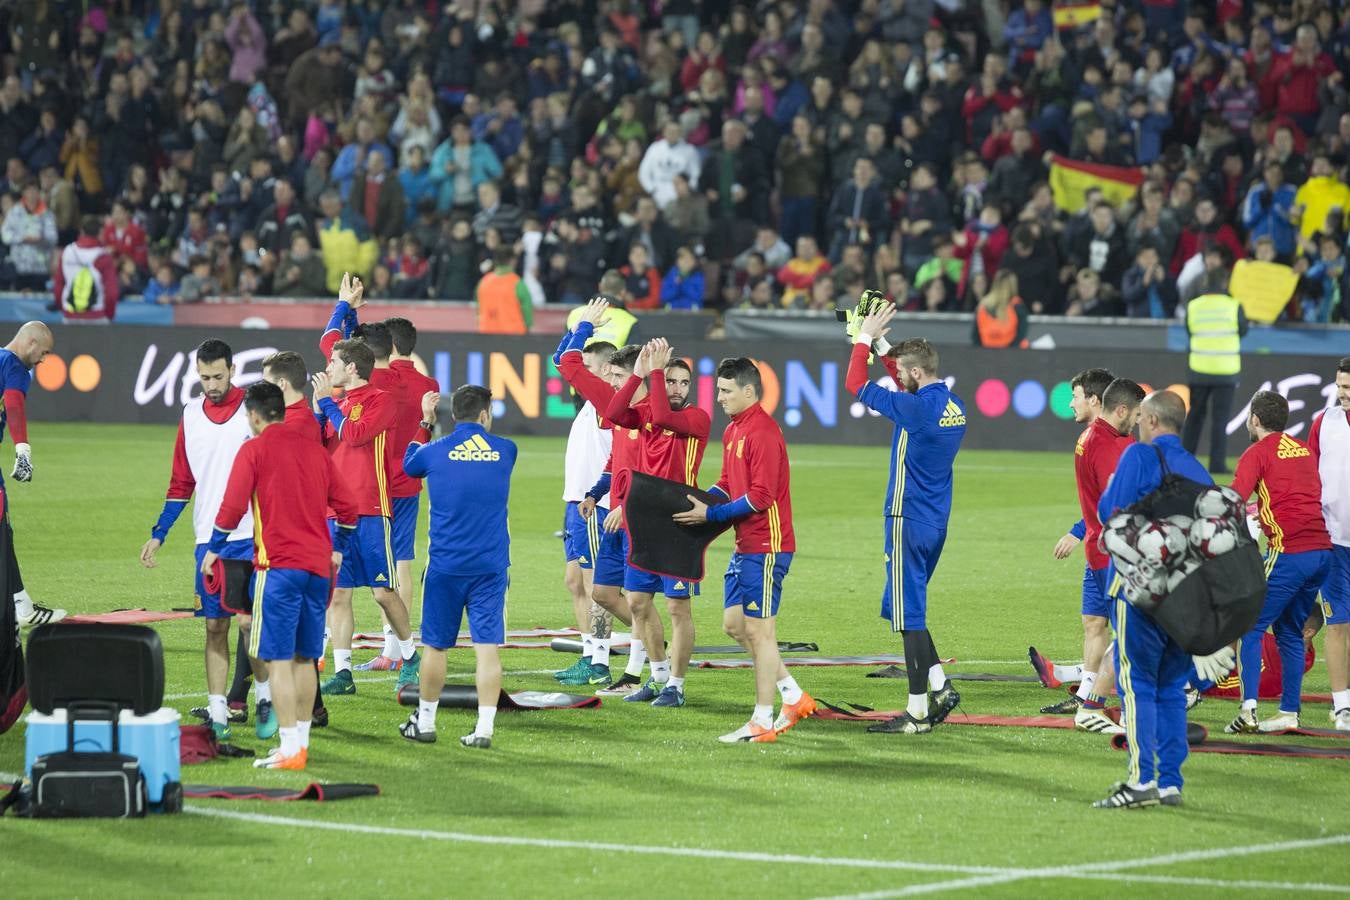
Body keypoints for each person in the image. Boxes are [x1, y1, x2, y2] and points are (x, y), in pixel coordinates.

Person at [205, 382, 358, 770]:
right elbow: (349, 507)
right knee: (305, 658)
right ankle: (299, 745)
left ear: (255, 416)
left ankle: (290, 748)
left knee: (276, 660)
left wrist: (213, 548)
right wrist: (337, 546)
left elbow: (232, 505)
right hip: (319, 570)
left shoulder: (254, 449)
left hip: (279, 570)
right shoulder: (313, 451)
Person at [672, 357, 814, 742]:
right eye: (718, 390)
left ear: (749, 391)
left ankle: (762, 721)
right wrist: (695, 503)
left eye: (726, 390)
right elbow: (726, 482)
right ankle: (793, 694)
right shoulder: (736, 430)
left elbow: (762, 496)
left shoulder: (762, 432)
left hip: (767, 547)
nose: (718, 398)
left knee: (760, 632)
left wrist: (713, 514)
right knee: (735, 625)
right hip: (746, 545)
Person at [1095, 391, 1224, 809]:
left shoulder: (1137, 457)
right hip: (1185, 598)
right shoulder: (1198, 470)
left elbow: (1108, 511)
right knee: (1171, 687)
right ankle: (1170, 782)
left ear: (1150, 419)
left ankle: (1141, 781)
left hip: (1139, 590)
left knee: (1137, 686)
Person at [847, 304, 964, 734]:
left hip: (906, 517)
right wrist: (879, 343)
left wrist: (862, 341)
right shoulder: (953, 404)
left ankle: (917, 713)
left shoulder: (913, 410)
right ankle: (940, 685)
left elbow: (855, 383)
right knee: (909, 607)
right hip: (935, 521)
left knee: (909, 618)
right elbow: (903, 379)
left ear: (915, 374)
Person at [139, 339, 259, 740]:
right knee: (213, 626)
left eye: (218, 376)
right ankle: (218, 710)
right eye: (205, 377)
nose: (211, 385)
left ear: (232, 371)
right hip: (208, 541)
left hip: (250, 537)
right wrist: (159, 534)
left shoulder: (252, 411)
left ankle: (265, 700)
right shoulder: (190, 414)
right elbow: (181, 481)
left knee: (249, 627)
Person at [312, 286, 421, 696]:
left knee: (382, 592)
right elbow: (324, 443)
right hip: (334, 513)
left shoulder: (381, 400)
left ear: (353, 369)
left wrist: (326, 405)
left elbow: (354, 435)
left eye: (335, 363)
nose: (329, 367)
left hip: (372, 509)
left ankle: (409, 655)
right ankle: (343, 671)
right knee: (338, 593)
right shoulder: (333, 400)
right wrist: (344, 307)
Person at [399, 385, 517, 749]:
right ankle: (484, 730)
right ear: (485, 415)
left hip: (446, 566)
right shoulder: (506, 451)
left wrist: (424, 422)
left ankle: (427, 723)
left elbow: (409, 465)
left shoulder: (435, 451)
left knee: (435, 646)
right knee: (487, 648)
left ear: (454, 417)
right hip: (490, 565)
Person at [602, 336, 711, 707]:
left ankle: (677, 687)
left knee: (678, 608)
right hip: (644, 525)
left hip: (679, 525)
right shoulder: (646, 411)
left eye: (683, 382)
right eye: (669, 381)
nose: (677, 388)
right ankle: (658, 675)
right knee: (636, 603)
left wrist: (659, 370)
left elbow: (665, 416)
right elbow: (615, 413)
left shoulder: (696, 418)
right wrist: (637, 375)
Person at [1042, 373, 1145, 733]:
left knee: (1096, 623)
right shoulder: (1107, 445)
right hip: (1114, 553)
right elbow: (1115, 504)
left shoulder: (1094, 439)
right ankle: (1101, 704)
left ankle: (1088, 692)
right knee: (1130, 632)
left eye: (1075, 397)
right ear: (1118, 408)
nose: (1138, 423)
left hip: (1098, 549)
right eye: (1135, 415)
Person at [1225, 391, 1333, 733]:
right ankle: (1288, 712)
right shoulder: (1302, 450)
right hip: (1322, 553)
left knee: (1250, 626)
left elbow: (1236, 500)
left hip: (1290, 552)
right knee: (1288, 630)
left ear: (1254, 419)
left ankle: (1248, 711)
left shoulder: (1257, 452)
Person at [552, 337, 626, 688]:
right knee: (575, 581)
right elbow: (560, 360)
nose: (581, 375)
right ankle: (589, 653)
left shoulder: (606, 400)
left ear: (608, 369)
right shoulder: (592, 402)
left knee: (596, 584)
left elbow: (563, 362)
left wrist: (583, 328)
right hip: (576, 503)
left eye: (589, 367)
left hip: (596, 505)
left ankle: (602, 658)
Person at [0, 322, 61, 626]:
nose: (43, 360)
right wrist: (23, 448)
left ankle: (20, 602)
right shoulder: (15, 367)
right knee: (1, 531)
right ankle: (21, 607)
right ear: (31, 342)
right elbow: (13, 403)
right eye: (44, 352)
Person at [1309, 359, 1350, 730]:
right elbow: (1310, 474)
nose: (1342, 394)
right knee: (1338, 625)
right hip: (1335, 542)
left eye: (1348, 388)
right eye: (1340, 386)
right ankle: (1342, 707)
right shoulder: (1325, 423)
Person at [1182, 291, 1247, 474]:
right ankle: (1217, 465)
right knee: (1220, 420)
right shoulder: (1233, 305)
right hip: (1225, 371)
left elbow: (1188, 329)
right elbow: (1243, 330)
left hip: (1199, 370)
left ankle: (1184, 461)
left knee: (1194, 417)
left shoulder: (1194, 305)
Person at [54, 215, 119, 322]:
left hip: (70, 314)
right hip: (97, 315)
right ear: (100, 233)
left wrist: (64, 308)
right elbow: (111, 293)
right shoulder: (103, 256)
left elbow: (58, 286)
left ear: (82, 232)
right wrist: (108, 315)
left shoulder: (67, 252)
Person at [475, 245, 532, 334]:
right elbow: (527, 313)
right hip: (514, 336)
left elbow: (478, 311)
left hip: (487, 335)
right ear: (513, 261)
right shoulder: (518, 284)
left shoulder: (483, 282)